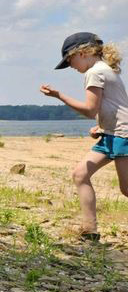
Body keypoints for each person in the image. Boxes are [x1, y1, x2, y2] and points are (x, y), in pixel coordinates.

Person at [40, 32, 128, 241]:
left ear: (82, 52)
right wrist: (100, 127)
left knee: (127, 189)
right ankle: (90, 230)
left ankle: (90, 229)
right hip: (111, 133)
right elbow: (112, 106)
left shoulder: (95, 72)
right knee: (80, 174)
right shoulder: (103, 69)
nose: (70, 65)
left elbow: (90, 109)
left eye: (69, 60)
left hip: (122, 135)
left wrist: (58, 95)